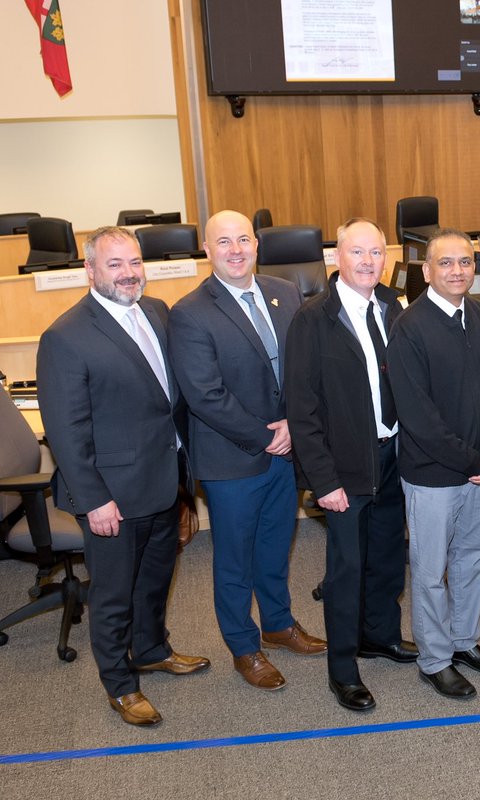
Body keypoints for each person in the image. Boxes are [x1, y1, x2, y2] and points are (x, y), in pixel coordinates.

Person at [37, 227, 209, 726]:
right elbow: (67, 431)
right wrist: (94, 500)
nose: (129, 273)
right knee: (113, 596)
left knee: (155, 581)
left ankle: (152, 649)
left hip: (162, 481)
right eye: (115, 265)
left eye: (134, 262)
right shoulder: (66, 336)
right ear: (90, 271)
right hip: (111, 495)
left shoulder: (155, 311)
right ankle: (120, 683)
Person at [170, 209, 326, 691]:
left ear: (257, 244)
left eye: (243, 240)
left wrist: (295, 426)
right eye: (223, 242)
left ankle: (278, 625)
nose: (235, 250)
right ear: (207, 251)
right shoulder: (190, 312)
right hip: (232, 458)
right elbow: (206, 395)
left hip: (285, 452)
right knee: (235, 560)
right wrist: (269, 435)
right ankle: (244, 645)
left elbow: (304, 367)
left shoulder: (284, 292)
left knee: (276, 547)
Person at [284, 218, 415, 712]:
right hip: (343, 468)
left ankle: (379, 636)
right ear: (336, 258)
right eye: (356, 253)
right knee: (345, 570)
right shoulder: (312, 319)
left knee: (386, 558)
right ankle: (343, 668)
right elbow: (302, 409)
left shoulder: (390, 305)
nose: (367, 262)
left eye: (376, 253)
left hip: (391, 457)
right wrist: (324, 481)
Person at [387, 229, 480, 699]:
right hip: (434, 476)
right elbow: (419, 417)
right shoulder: (410, 328)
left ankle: (464, 642)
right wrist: (474, 459)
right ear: (427, 272)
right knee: (430, 569)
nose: (458, 271)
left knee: (472, 559)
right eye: (446, 264)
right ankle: (435, 658)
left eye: (466, 262)